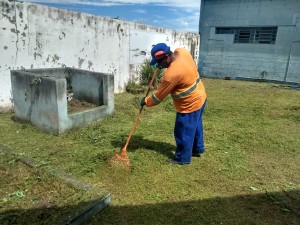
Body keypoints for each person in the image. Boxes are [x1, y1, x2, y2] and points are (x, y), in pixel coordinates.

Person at [140, 43, 207, 165]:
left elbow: (157, 98)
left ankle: (182, 158)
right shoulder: (182, 52)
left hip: (189, 105)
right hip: (201, 96)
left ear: (166, 57)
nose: (159, 66)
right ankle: (197, 149)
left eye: (159, 63)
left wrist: (145, 101)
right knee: (195, 125)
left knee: (183, 132)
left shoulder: (171, 74)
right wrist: (161, 64)